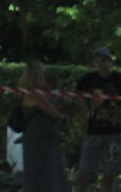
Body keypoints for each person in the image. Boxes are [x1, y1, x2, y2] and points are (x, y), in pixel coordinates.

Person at [17, 61, 70, 192]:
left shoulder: (31, 93)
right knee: (43, 174)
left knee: (47, 172)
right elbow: (54, 113)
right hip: (39, 139)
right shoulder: (35, 95)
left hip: (44, 138)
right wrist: (64, 117)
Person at [74, 47, 120, 192]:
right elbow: (77, 95)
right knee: (84, 172)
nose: (102, 64)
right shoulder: (88, 78)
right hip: (93, 131)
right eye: (98, 60)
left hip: (114, 132)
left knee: (110, 174)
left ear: (110, 62)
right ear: (94, 62)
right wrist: (85, 109)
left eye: (105, 60)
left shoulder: (118, 78)